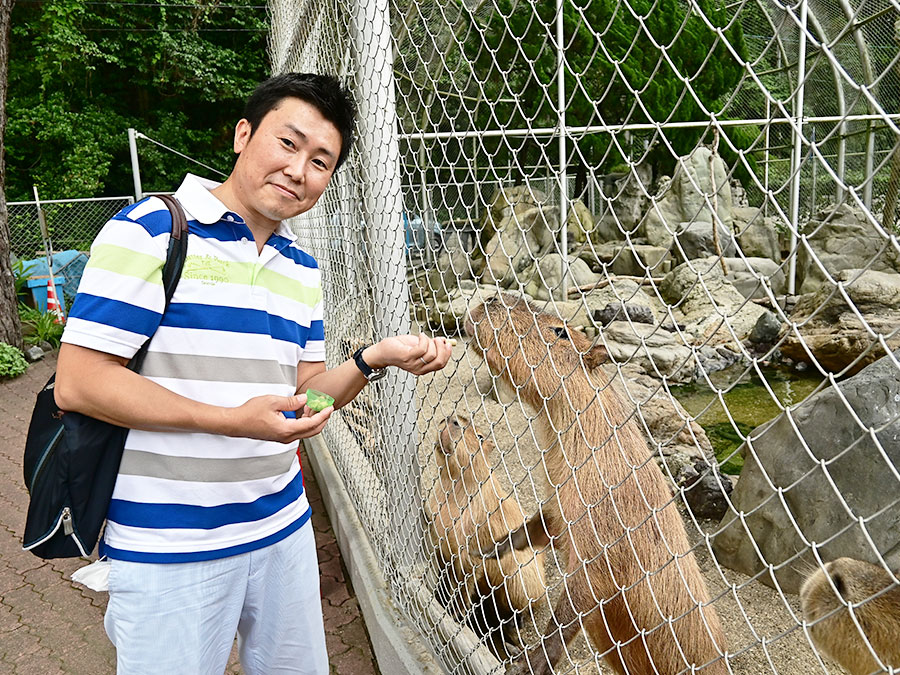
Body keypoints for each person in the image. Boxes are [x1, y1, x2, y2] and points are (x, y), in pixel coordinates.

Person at [54, 73, 452, 675]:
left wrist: (374, 359)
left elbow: (305, 395)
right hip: (171, 544)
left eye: (322, 161)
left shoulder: (302, 268)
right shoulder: (154, 229)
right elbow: (79, 381)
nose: (299, 170)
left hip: (282, 525)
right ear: (244, 134)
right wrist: (229, 421)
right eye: (288, 144)